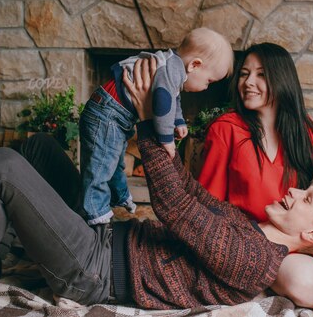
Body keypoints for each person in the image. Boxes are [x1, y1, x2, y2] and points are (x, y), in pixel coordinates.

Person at [0, 58, 313, 309]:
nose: (295, 190)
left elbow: (174, 206)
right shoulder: (247, 227)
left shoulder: (255, 261)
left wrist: (144, 118)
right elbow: (191, 194)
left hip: (95, 270)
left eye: (308, 196)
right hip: (104, 235)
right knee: (39, 147)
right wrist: (168, 150)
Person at [196, 43, 313, 308]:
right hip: (257, 247)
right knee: (306, 284)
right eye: (244, 74)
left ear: (281, 79)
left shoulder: (308, 135)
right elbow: (206, 203)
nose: (248, 82)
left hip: (308, 241)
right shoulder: (226, 129)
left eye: (260, 75)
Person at [80, 27, 234, 225]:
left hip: (113, 113)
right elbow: (162, 104)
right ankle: (95, 218)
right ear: (195, 65)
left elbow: (173, 99)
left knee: (114, 161)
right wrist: (166, 140)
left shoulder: (174, 68)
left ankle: (117, 197)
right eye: (209, 81)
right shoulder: (171, 70)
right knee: (100, 166)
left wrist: (178, 121)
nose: (207, 87)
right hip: (107, 113)